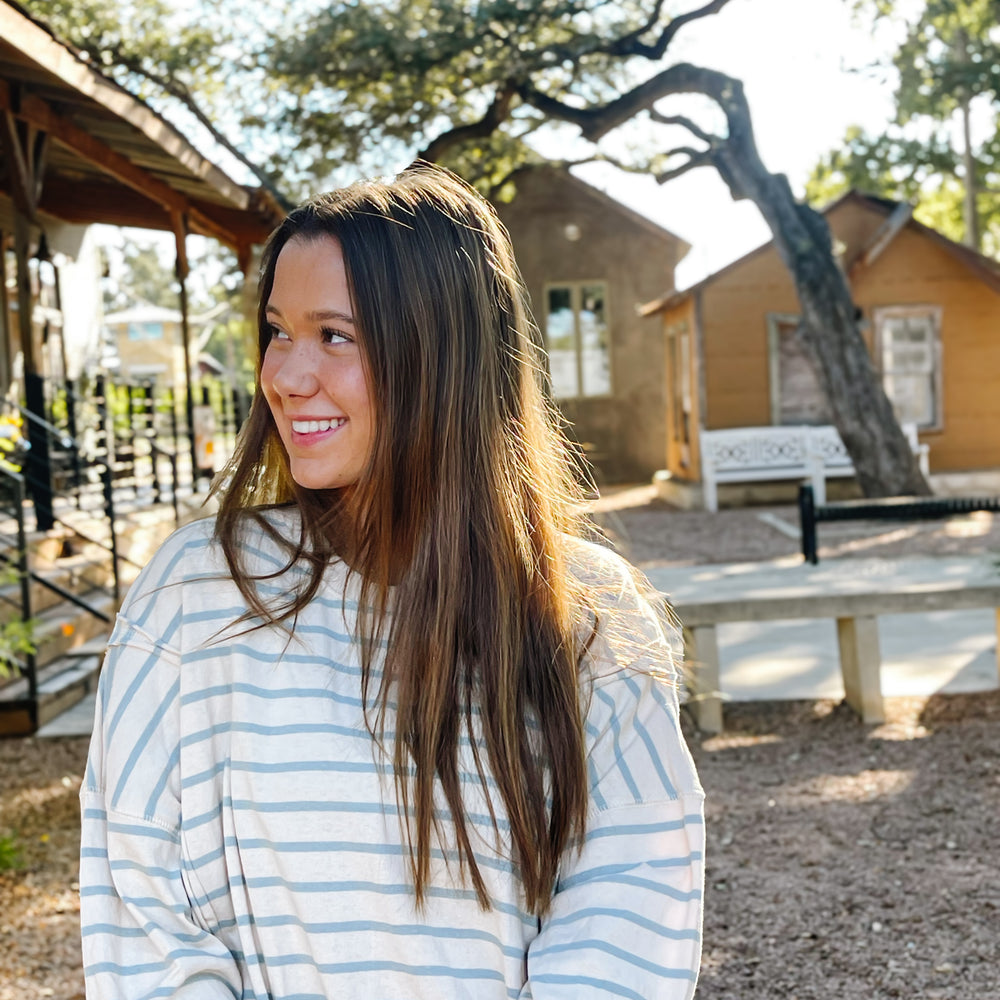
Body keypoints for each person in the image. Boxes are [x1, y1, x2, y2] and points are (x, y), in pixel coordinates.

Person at [79, 162, 705, 998]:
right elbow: (142, 910)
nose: (285, 375)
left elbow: (632, 911)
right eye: (277, 330)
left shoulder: (586, 615)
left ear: (441, 354)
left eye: (334, 335)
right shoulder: (194, 593)